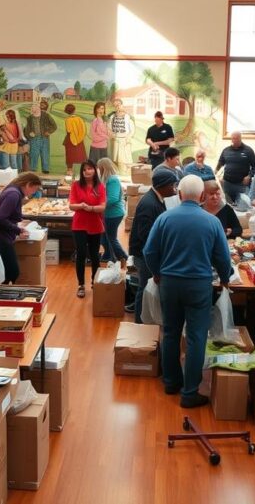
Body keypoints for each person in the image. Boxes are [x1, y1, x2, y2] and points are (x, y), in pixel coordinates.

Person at [143, 175, 233, 408]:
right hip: (198, 285)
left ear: (179, 194)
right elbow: (223, 258)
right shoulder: (212, 222)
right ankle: (190, 392)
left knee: (171, 332)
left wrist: (156, 272)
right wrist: (224, 279)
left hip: (170, 284)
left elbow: (149, 252)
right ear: (202, 196)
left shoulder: (164, 218)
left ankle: (171, 382)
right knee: (196, 337)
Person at [129, 171, 178, 323]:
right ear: (163, 186)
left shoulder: (156, 199)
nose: (174, 189)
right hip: (145, 256)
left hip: (148, 254)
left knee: (144, 289)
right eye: (172, 185)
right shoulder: (149, 204)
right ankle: (140, 323)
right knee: (144, 290)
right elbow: (146, 235)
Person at [0, 173, 42, 284]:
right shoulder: (13, 194)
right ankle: (2, 296)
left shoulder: (13, 191)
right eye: (34, 189)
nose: (33, 193)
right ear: (28, 185)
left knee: (8, 271)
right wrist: (18, 230)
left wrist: (20, 221)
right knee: (12, 272)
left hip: (4, 235)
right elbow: (0, 218)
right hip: (2, 237)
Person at [69, 161, 106, 298]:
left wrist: (90, 208)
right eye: (84, 170)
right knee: (81, 254)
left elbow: (103, 207)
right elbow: (71, 206)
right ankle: (81, 285)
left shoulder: (100, 186)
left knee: (95, 255)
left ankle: (94, 282)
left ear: (95, 170)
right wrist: (81, 205)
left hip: (95, 224)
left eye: (90, 169)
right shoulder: (76, 185)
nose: (87, 172)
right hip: (79, 225)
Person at [97, 158, 128, 268]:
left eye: (99, 168)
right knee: (103, 236)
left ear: (103, 168)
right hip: (109, 214)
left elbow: (113, 198)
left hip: (114, 214)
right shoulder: (107, 179)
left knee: (111, 238)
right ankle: (108, 255)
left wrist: (99, 206)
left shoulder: (112, 180)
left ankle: (123, 257)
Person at [215, 131, 255, 205]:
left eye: (236, 139)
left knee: (243, 206)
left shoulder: (248, 150)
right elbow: (220, 162)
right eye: (233, 139)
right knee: (228, 206)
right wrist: (215, 172)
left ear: (240, 138)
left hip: (242, 185)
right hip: (227, 184)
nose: (234, 140)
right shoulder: (226, 150)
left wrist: (249, 176)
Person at [25, 101, 58, 174]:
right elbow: (27, 130)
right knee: (33, 155)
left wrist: (49, 132)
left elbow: (54, 126)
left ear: (38, 108)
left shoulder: (46, 115)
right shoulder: (29, 118)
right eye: (32, 108)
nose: (33, 109)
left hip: (44, 138)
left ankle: (45, 171)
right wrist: (30, 134)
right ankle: (33, 171)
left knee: (45, 154)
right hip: (34, 139)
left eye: (35, 107)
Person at [108, 102, 135, 174]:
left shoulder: (128, 117)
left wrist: (128, 138)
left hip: (125, 139)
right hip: (116, 139)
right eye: (117, 108)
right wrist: (112, 135)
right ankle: (117, 171)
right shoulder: (112, 117)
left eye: (121, 108)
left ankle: (126, 172)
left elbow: (132, 130)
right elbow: (109, 127)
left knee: (126, 157)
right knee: (115, 157)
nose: (119, 110)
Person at [64, 104, 88, 180]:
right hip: (79, 139)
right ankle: (84, 171)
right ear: (74, 110)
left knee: (70, 156)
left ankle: (69, 171)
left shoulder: (68, 120)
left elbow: (69, 130)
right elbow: (84, 130)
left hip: (70, 139)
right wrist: (79, 138)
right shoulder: (80, 119)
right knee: (81, 155)